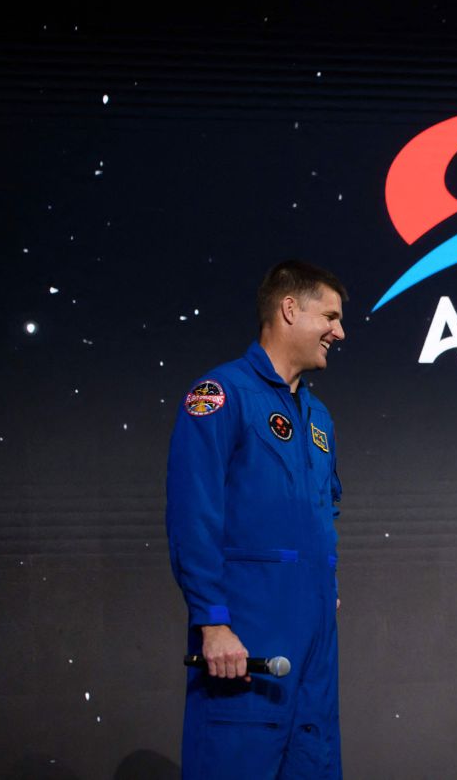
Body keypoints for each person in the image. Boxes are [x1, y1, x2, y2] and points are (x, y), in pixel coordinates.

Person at [166, 260, 347, 779]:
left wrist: (324, 578)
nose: (340, 331)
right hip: (248, 632)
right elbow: (192, 514)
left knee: (313, 760)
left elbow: (326, 504)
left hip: (314, 638)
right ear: (290, 309)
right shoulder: (220, 396)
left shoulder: (318, 418)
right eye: (330, 316)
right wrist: (213, 620)